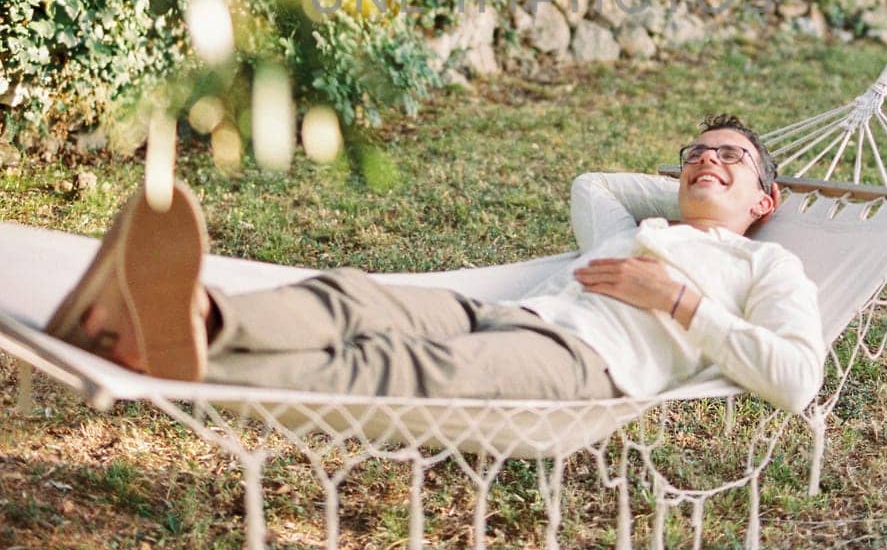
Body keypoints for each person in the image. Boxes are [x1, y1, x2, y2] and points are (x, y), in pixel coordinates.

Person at [46, 113, 825, 414]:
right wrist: (693, 180)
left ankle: (147, 351)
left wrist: (681, 302)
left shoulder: (766, 273)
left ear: (768, 198)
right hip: (511, 311)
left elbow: (796, 380)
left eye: (732, 158)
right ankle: (200, 315)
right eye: (695, 153)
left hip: (588, 362)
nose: (707, 162)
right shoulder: (630, 222)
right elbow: (591, 183)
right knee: (350, 296)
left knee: (402, 366)